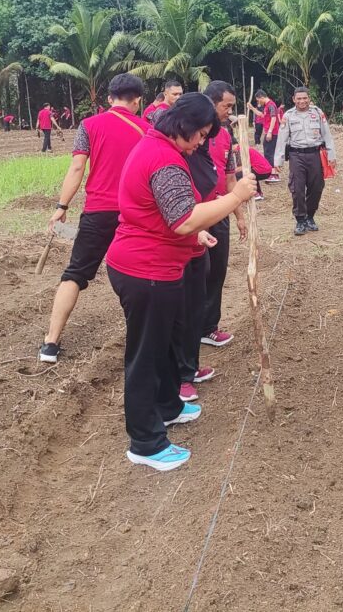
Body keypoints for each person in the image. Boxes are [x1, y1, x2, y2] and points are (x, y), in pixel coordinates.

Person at [108, 93, 257, 471]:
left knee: (162, 348)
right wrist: (235, 195)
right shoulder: (163, 159)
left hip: (156, 265)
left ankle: (168, 406)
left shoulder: (161, 149)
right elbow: (184, 217)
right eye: (200, 135)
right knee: (146, 356)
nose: (201, 144)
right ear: (184, 126)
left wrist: (193, 237)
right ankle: (145, 442)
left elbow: (163, 215)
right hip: (145, 271)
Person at [40, 74, 148, 364]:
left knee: (75, 273)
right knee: (138, 276)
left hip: (98, 212)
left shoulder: (88, 125)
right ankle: (141, 340)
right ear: (137, 100)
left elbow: (77, 168)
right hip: (133, 214)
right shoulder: (148, 130)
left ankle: (50, 343)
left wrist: (62, 206)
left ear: (109, 98)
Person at [174, 82, 250, 403]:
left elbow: (230, 176)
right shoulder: (181, 146)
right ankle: (179, 376)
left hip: (212, 215)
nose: (229, 113)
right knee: (185, 300)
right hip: (192, 220)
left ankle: (193, 357)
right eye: (226, 106)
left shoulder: (222, 136)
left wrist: (238, 212)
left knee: (209, 278)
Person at [273, 86, 337, 236]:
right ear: (294, 100)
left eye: (305, 98)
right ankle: (300, 220)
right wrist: (278, 161)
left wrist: (331, 155)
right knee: (297, 189)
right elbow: (281, 139)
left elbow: (327, 135)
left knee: (317, 187)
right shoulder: (288, 116)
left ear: (309, 98)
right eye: (299, 98)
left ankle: (310, 216)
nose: (302, 101)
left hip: (315, 154)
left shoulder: (317, 113)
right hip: (296, 155)